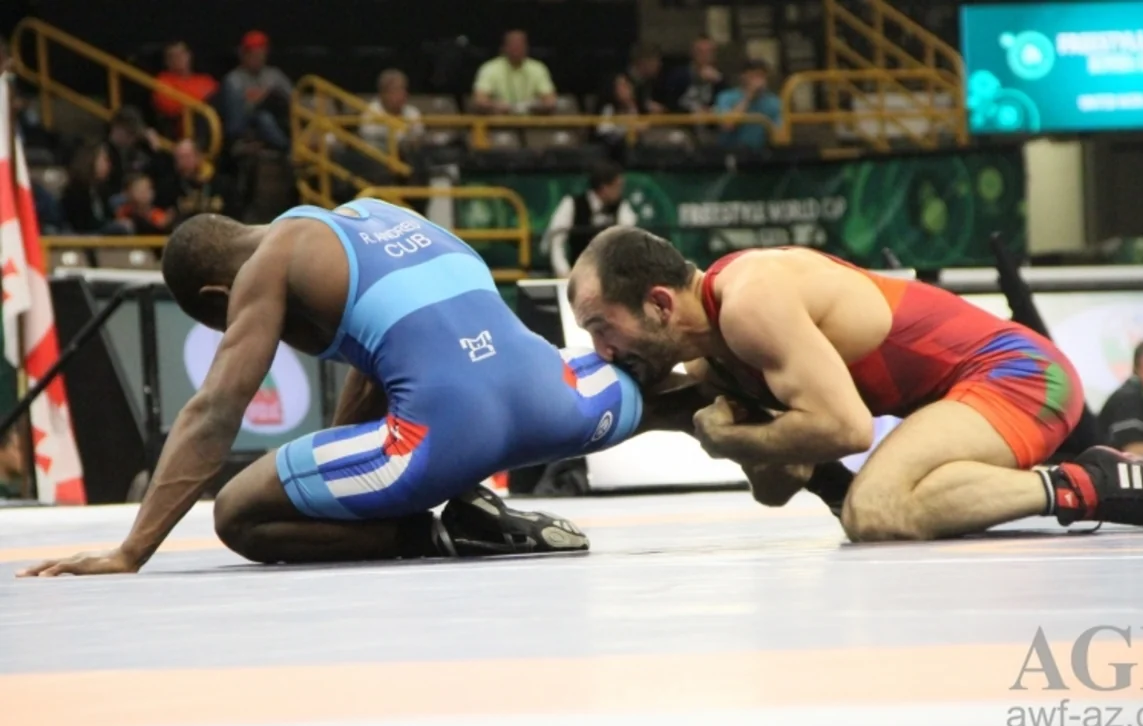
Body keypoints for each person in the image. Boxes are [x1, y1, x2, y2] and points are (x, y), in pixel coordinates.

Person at [17, 201, 715, 578]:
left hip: (441, 441)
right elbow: (386, 358)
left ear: (216, 298)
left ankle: (442, 533)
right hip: (557, 401)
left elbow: (216, 410)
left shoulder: (269, 263)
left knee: (238, 513)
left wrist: (131, 550)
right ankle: (767, 420)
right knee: (672, 397)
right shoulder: (373, 213)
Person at [566, 227, 1143, 540]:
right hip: (963, 395)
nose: (602, 351)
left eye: (602, 327)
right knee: (874, 506)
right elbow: (779, 487)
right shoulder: (714, 361)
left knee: (874, 510)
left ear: (659, 303)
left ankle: (1091, 483)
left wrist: (729, 440)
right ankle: (1076, 479)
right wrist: (705, 424)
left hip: (1020, 375)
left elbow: (846, 430)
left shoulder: (751, 298)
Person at [545, 160, 637, 278]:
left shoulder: (622, 207)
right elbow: (556, 242)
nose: (620, 191)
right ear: (604, 188)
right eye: (617, 186)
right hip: (577, 275)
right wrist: (565, 273)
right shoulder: (572, 204)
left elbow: (629, 239)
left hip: (610, 278)